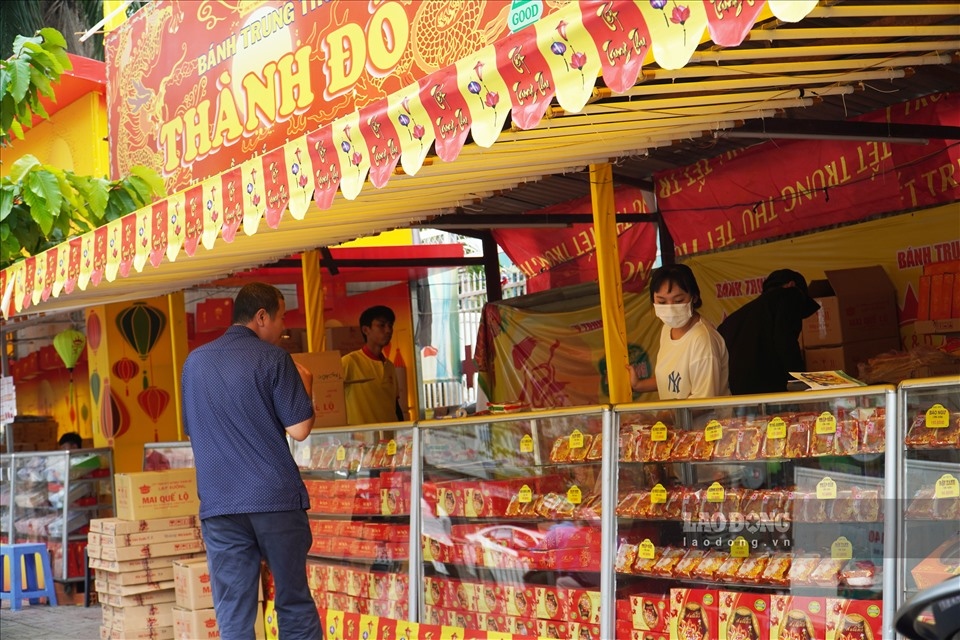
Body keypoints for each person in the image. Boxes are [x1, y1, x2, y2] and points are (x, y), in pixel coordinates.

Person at [181, 282, 321, 640]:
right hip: (273, 500)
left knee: (234, 611)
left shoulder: (194, 362)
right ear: (261, 317)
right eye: (281, 317)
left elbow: (191, 430)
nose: (283, 327)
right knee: (292, 601)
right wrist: (307, 384)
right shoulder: (274, 359)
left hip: (219, 504)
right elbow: (301, 429)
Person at [629, 263, 730, 400]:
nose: (670, 308)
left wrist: (661, 416)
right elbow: (674, 380)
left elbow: (704, 402)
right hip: (677, 420)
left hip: (706, 422)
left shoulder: (703, 340)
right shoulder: (667, 329)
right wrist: (639, 385)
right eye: (662, 302)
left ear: (694, 297)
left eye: (678, 300)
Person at [718, 268, 821, 395]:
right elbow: (785, 341)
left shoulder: (738, 317)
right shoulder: (791, 295)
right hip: (769, 389)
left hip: (737, 394)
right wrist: (803, 381)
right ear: (791, 285)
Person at [342, 305, 405, 425]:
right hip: (362, 440)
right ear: (366, 330)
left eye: (390, 325)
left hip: (390, 439)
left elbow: (395, 406)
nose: (388, 330)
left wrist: (403, 430)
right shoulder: (349, 362)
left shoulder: (390, 366)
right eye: (381, 325)